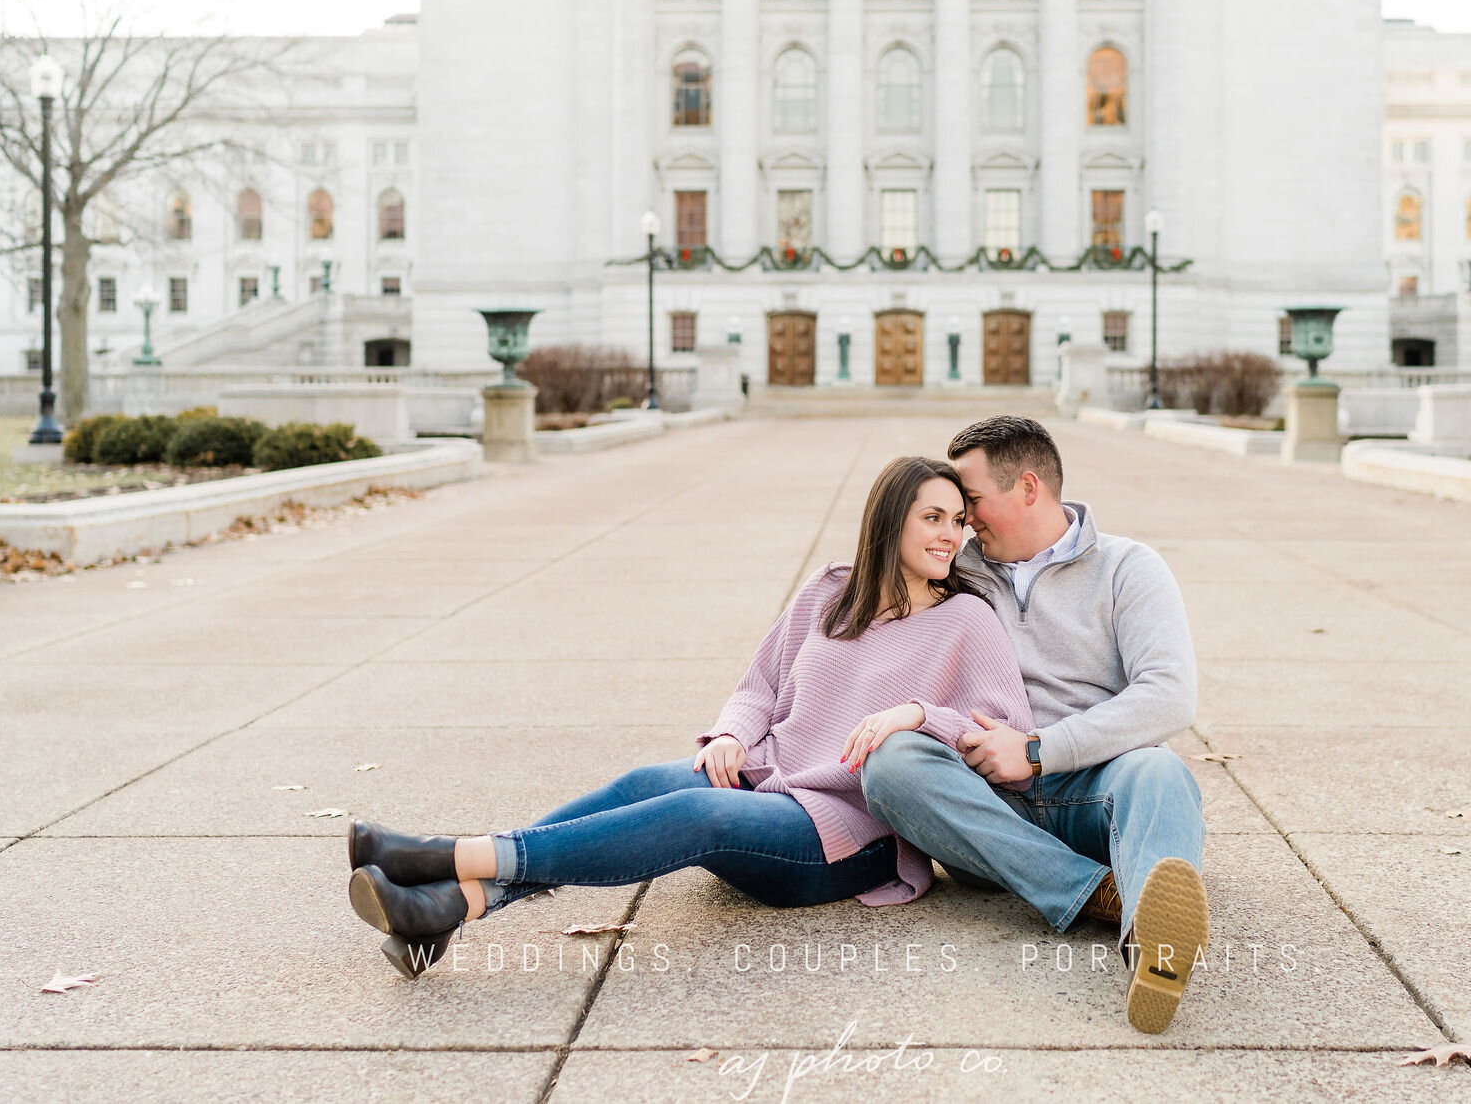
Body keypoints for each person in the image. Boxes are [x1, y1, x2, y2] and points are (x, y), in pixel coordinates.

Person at [344, 455, 1034, 980]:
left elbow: (1005, 727)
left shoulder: (965, 620)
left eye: (956, 520)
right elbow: (759, 683)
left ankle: (442, 854)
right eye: (932, 517)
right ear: (891, 520)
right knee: (652, 779)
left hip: (850, 834)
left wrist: (918, 713)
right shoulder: (831, 589)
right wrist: (734, 731)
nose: (951, 535)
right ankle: (449, 907)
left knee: (699, 817)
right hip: (768, 779)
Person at [858, 415, 1208, 1035]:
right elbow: (868, 622)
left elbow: (1170, 696)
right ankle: (1102, 892)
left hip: (1099, 791)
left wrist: (1039, 749)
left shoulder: (1128, 567)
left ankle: (1157, 952)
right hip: (988, 807)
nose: (962, 521)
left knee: (1161, 769)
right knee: (891, 763)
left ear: (1026, 487)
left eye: (969, 502)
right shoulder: (954, 572)